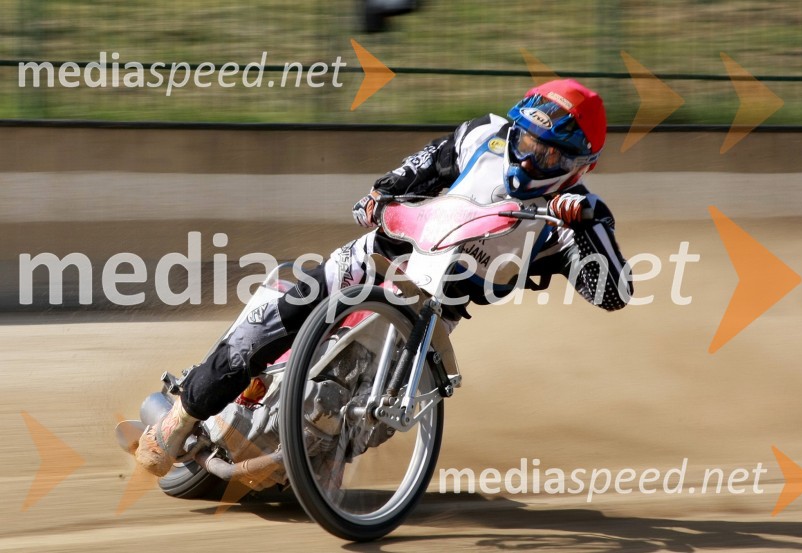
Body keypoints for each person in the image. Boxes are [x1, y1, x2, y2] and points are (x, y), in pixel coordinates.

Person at [135, 79, 633, 476]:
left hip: (434, 316)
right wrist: (381, 194)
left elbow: (613, 293)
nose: (530, 158)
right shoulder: (482, 136)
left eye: (550, 155)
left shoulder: (575, 220)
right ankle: (181, 416)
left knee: (384, 418)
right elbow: (417, 168)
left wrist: (586, 225)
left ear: (581, 166)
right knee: (272, 324)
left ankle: (318, 461)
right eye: (527, 139)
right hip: (376, 261)